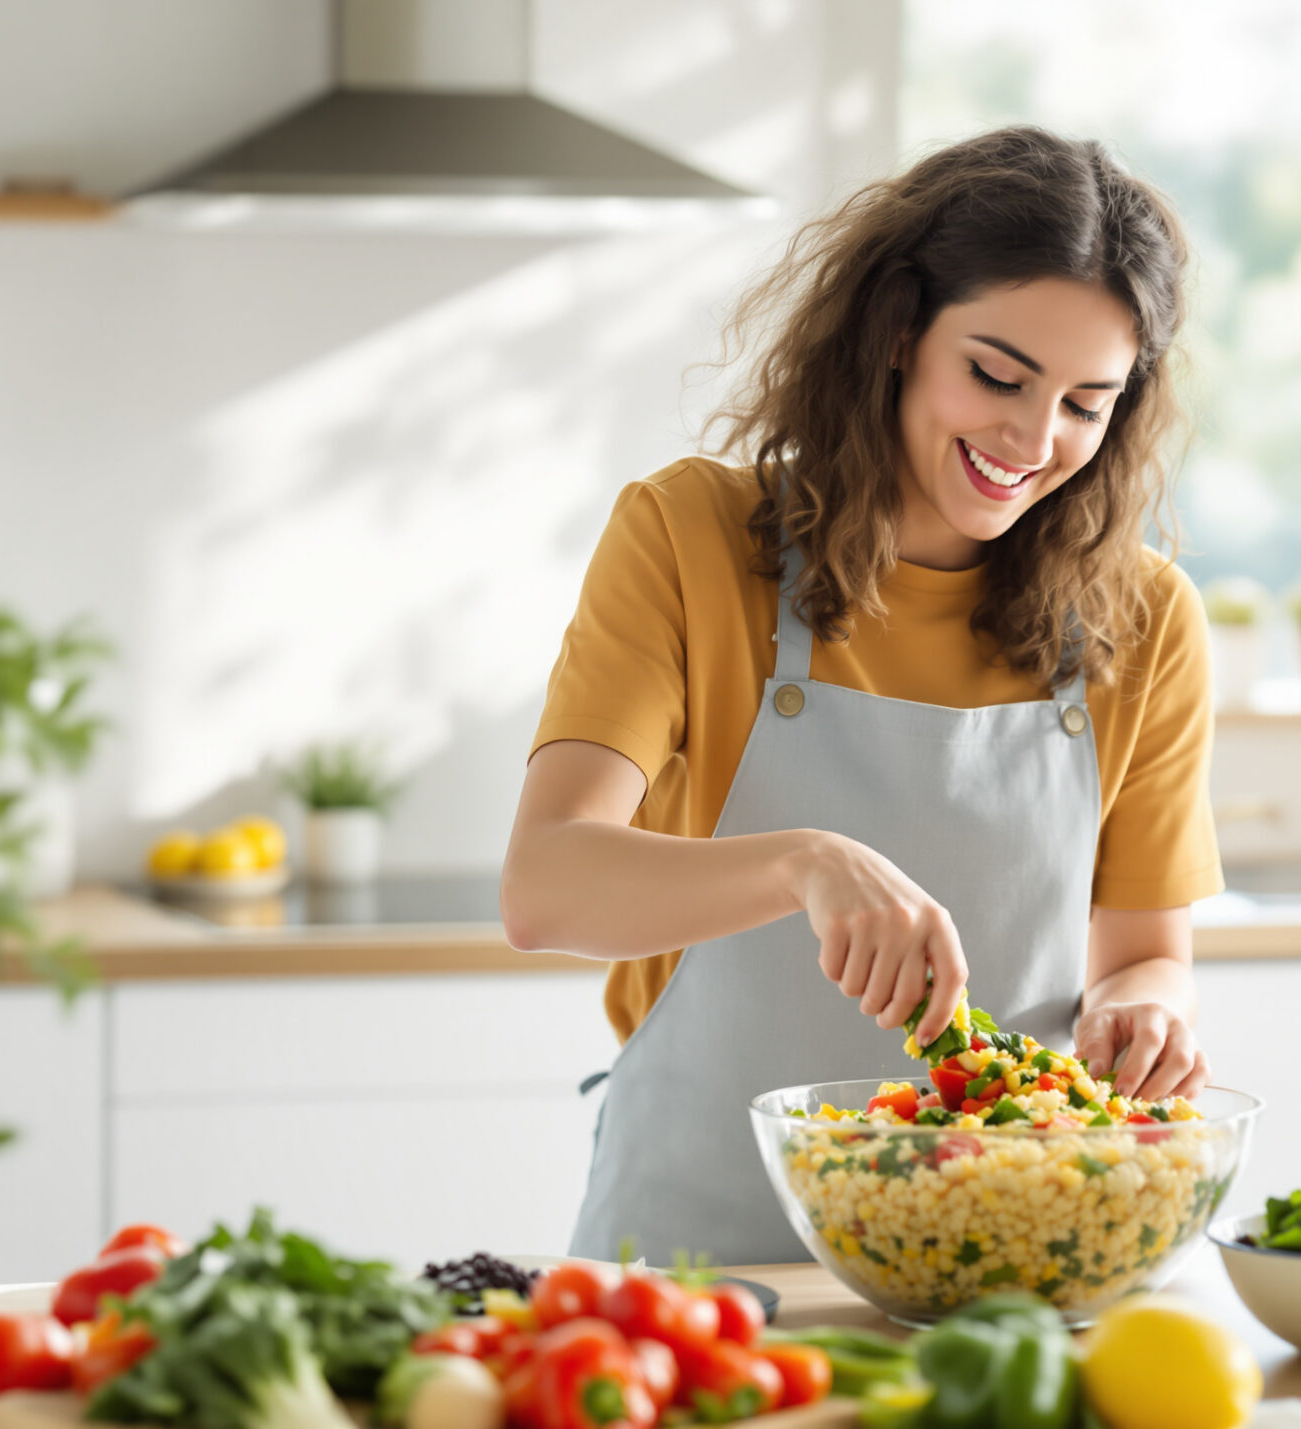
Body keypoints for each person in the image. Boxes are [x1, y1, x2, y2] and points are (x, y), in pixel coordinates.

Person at [500, 126, 1221, 1263]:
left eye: (1087, 403)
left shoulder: (1142, 620)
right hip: (696, 1272)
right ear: (895, 330)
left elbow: (1142, 949)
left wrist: (1148, 1010)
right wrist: (801, 863)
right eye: (996, 374)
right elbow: (544, 886)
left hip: (1000, 1266)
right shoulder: (689, 538)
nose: (1032, 440)